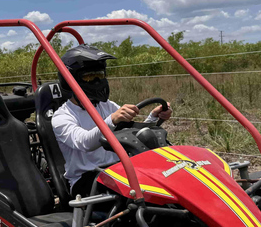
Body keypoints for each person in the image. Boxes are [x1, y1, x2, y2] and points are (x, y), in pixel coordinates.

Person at [52, 44, 173, 198]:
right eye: (89, 76)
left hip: (118, 171)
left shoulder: (106, 106)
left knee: (165, 183)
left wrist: (154, 117)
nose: (97, 81)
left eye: (100, 75)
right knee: (146, 197)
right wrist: (112, 120)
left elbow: (131, 131)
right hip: (86, 180)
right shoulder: (62, 116)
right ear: (70, 80)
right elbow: (84, 142)